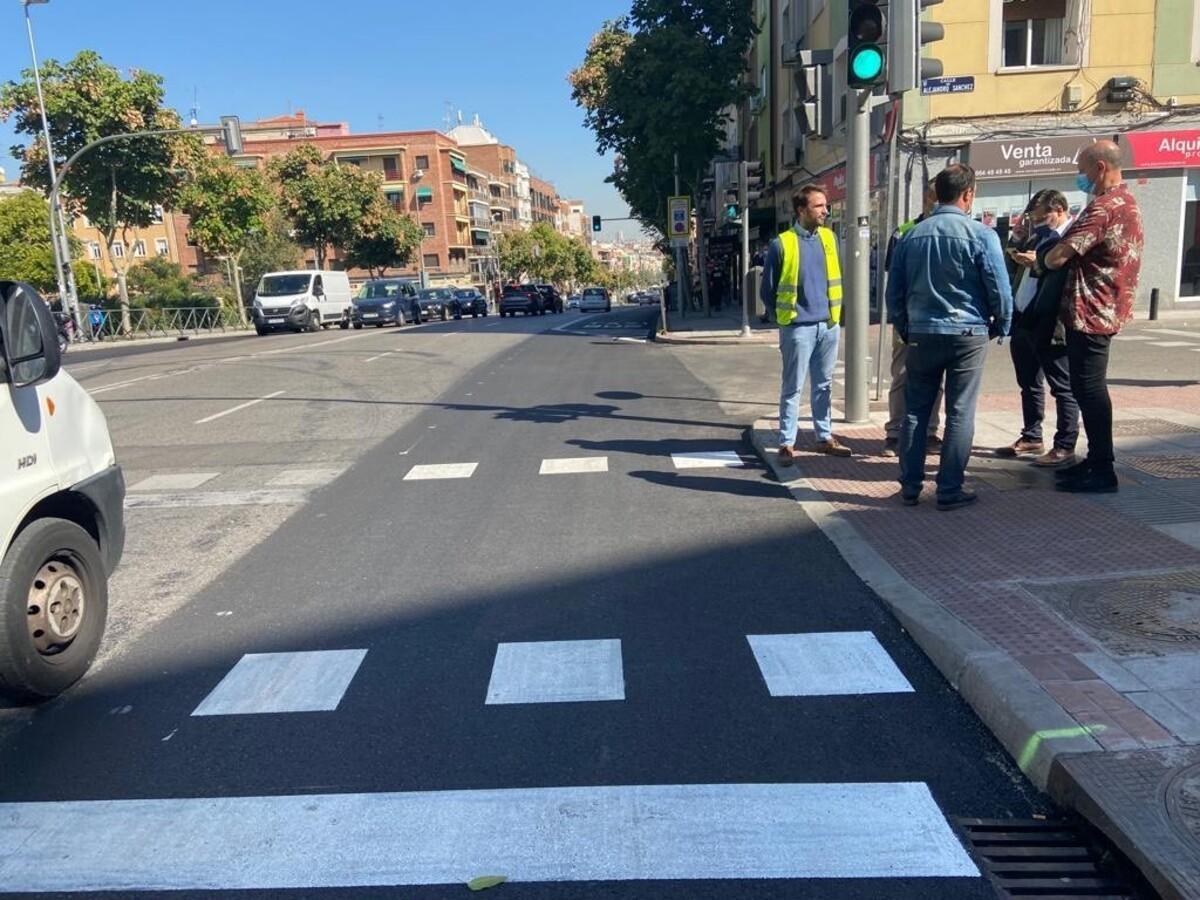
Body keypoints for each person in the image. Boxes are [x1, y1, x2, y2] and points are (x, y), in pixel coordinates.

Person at [887, 163, 1013, 511]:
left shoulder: (910, 235)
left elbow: (893, 293)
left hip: (922, 333)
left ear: (935, 194)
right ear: (968, 194)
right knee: (960, 412)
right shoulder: (982, 235)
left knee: (915, 412)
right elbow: (998, 287)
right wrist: (1001, 324)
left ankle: (910, 487)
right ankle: (949, 489)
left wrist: (906, 327)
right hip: (967, 333)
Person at [1040, 140, 1144, 493]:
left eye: (1083, 169)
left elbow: (1058, 256)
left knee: (1090, 388)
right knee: (1087, 387)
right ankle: (1096, 460)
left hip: (1092, 312)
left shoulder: (1104, 207)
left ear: (1101, 168)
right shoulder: (1126, 202)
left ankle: (1103, 468)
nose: (1080, 177)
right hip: (1103, 308)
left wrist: (1043, 258)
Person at [762, 184, 852, 464]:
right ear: (802, 210)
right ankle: (787, 443)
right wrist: (784, 321)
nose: (825, 211)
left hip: (828, 325)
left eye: (826, 205)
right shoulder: (782, 244)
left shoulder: (829, 239)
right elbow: (767, 289)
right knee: (793, 387)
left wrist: (833, 318)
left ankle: (824, 437)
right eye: (819, 206)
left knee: (824, 385)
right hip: (798, 327)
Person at [999, 190, 1079, 466]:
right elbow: (1009, 264)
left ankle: (1065, 444)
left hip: (1051, 320)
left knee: (1062, 385)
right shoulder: (1036, 236)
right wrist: (1017, 240)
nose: (1037, 220)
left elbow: (1063, 273)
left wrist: (1039, 263)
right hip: (1024, 317)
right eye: (1032, 216)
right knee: (1029, 381)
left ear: (1058, 209)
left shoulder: (1070, 238)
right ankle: (1032, 436)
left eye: (1041, 214)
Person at [882, 180, 943, 457]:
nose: (938, 203)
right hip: (909, 318)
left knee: (936, 378)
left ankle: (930, 432)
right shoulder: (904, 233)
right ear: (926, 199)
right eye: (934, 197)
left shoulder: (953, 230)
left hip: (940, 320)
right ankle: (895, 433)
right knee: (903, 374)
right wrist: (899, 319)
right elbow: (893, 283)